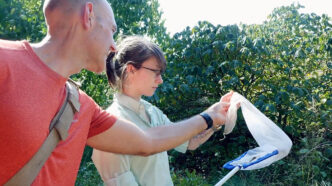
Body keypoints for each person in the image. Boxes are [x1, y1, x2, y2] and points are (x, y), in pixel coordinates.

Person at [0, 0, 233, 185]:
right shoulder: (4, 60)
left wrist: (211, 117)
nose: (114, 46)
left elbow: (148, 141)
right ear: (88, 15)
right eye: (112, 30)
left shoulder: (82, 106)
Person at [92, 36, 221, 186]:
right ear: (131, 69)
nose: (160, 80)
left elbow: (189, 142)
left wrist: (215, 118)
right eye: (155, 72)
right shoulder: (111, 126)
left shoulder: (152, 111)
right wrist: (210, 117)